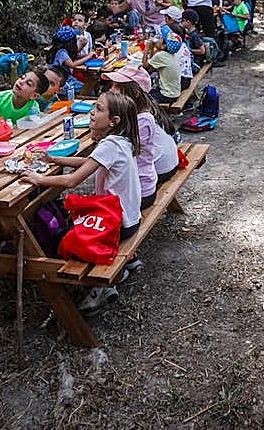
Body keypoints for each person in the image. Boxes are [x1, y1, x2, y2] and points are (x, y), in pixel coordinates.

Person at [23, 91, 142, 313]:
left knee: (61, 237)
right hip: (131, 218)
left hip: (117, 225)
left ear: (113, 121)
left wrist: (40, 179)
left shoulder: (110, 145)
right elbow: (89, 162)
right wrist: (55, 159)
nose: (92, 112)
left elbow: (71, 181)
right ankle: (128, 262)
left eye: (98, 109)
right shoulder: (121, 141)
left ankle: (102, 287)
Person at [104, 65, 179, 208]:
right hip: (167, 161)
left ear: (136, 92)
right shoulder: (144, 105)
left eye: (117, 86)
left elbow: (119, 154)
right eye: (112, 85)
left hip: (161, 168)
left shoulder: (141, 119)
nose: (111, 90)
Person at [143, 33, 183, 105]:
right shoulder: (173, 54)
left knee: (143, 99)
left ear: (163, 46)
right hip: (175, 92)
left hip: (167, 95)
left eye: (161, 39)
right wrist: (152, 48)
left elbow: (145, 66)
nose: (158, 40)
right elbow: (152, 63)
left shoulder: (161, 55)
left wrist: (146, 48)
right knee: (148, 91)